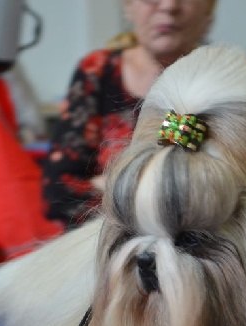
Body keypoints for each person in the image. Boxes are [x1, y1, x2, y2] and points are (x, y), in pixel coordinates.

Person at [42, 0, 216, 228]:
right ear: (127, 6)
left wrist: (111, 185)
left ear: (209, 12)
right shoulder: (97, 70)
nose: (169, 6)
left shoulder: (219, 83)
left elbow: (241, 190)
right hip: (100, 245)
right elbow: (59, 192)